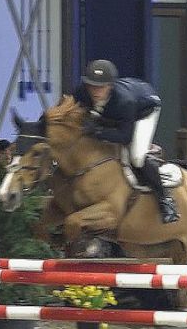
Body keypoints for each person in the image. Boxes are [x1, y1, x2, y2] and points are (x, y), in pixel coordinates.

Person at [72, 59, 178, 223]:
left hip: (144, 110)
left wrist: (98, 132)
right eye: (92, 86)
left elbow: (124, 136)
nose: (96, 91)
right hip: (113, 113)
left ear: (110, 86)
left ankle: (166, 201)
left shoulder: (124, 101)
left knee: (136, 157)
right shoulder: (81, 93)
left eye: (101, 87)